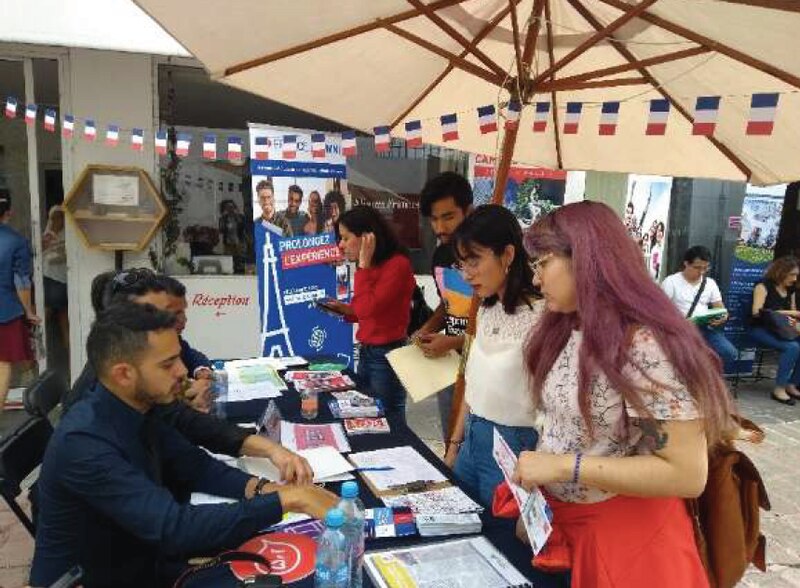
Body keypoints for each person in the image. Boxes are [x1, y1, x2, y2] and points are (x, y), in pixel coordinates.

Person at [30, 303, 337, 587]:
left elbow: (194, 466)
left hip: (144, 556)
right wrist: (288, 501)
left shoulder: (140, 404)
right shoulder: (84, 442)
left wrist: (265, 489)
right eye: (167, 364)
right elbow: (174, 528)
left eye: (178, 357)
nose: (181, 371)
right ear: (123, 374)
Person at [512, 201, 734, 586]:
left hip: (627, 540)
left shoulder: (644, 345)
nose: (535, 280)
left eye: (542, 263)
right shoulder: (565, 324)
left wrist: (563, 467)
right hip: (566, 523)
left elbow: (685, 472)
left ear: (586, 259)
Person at [66, 269, 313, 483]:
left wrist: (266, 465)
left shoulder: (140, 380)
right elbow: (165, 518)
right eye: (163, 314)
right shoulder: (91, 431)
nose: (182, 372)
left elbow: (194, 458)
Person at [443, 205, 542, 507]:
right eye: (461, 264)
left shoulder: (544, 317)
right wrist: (454, 445)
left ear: (508, 255)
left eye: (474, 260)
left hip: (514, 446)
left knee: (502, 541)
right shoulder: (485, 310)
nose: (467, 274)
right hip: (472, 438)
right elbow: (473, 387)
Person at [324, 206, 415, 421]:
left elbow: (367, 308)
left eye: (345, 238)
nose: (341, 245)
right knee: (367, 415)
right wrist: (345, 310)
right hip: (368, 352)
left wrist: (362, 267)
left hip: (387, 356)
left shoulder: (397, 265)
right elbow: (370, 313)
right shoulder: (372, 267)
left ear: (367, 238)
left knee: (387, 419)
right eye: (340, 238)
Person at [412, 172, 473, 439]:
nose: (439, 228)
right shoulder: (440, 255)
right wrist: (427, 327)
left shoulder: (487, 259)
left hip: (484, 369)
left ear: (468, 211)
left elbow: (499, 322)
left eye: (448, 217)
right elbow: (449, 304)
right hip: (448, 366)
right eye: (434, 219)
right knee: (451, 441)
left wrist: (455, 341)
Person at [662, 246, 738, 374]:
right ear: (686, 263)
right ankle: (695, 378)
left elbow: (719, 307)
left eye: (706, 268)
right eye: (697, 267)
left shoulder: (710, 283)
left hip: (704, 327)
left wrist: (722, 316)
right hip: (680, 329)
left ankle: (705, 377)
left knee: (729, 352)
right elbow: (661, 310)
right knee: (688, 356)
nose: (702, 272)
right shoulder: (671, 282)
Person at [0, 190, 39, 411]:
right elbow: (22, 281)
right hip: (5, 310)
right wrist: (29, 311)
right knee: (3, 365)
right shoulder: (16, 241)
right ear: (9, 212)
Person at [157, 274, 213, 412]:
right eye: (176, 313)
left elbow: (190, 354)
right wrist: (188, 391)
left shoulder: (175, 340)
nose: (184, 319)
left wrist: (201, 371)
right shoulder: (141, 351)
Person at [750, 255, 800, 405]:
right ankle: (779, 388)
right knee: (792, 347)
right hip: (760, 328)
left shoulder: (790, 290)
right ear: (781, 272)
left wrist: (792, 319)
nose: (795, 278)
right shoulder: (763, 285)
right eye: (792, 274)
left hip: (781, 329)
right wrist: (789, 313)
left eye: (796, 275)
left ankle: (792, 384)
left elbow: (793, 313)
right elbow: (757, 311)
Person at [42, 205, 69, 351]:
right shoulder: (49, 233)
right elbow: (40, 252)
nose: (54, 221)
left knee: (56, 318)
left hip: (59, 282)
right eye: (52, 218)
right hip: (48, 279)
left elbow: (61, 258)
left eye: (58, 218)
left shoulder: (67, 235)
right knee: (59, 318)